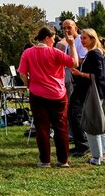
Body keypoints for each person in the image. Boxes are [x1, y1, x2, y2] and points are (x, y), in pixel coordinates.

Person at [18, 26, 78, 168]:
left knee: (42, 128)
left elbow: (22, 73)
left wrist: (29, 84)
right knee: (61, 127)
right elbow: (74, 63)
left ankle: (45, 160)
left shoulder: (28, 53)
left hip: (37, 94)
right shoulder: (55, 52)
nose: (54, 41)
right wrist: (72, 45)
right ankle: (63, 160)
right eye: (53, 38)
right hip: (57, 94)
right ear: (47, 38)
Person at [71, 28, 105, 165]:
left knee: (92, 123)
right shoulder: (94, 53)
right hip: (95, 91)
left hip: (93, 92)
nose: (82, 41)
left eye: (85, 38)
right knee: (98, 122)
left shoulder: (94, 53)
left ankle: (96, 156)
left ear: (92, 39)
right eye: (81, 38)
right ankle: (104, 154)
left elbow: (99, 75)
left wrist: (80, 74)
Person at [56, 19, 89, 156]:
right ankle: (78, 143)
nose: (66, 31)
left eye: (69, 27)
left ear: (76, 28)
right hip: (73, 81)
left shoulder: (80, 41)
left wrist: (69, 63)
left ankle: (84, 145)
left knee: (76, 113)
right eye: (64, 28)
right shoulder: (70, 43)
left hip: (81, 81)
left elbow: (79, 62)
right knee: (71, 112)